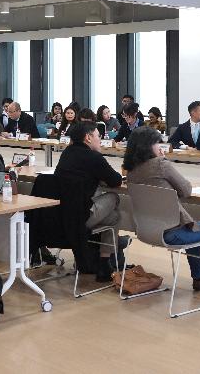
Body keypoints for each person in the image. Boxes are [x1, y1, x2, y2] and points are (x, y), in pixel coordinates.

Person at [124, 126, 200, 298]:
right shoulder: (160, 164)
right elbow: (186, 190)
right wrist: (163, 161)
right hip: (171, 233)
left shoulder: (131, 171)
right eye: (158, 144)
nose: (161, 148)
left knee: (192, 225)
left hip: (146, 231)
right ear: (148, 146)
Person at [54, 121, 123, 282]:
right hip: (81, 216)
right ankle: (104, 262)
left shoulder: (67, 153)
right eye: (98, 136)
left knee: (115, 217)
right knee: (114, 197)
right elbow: (116, 181)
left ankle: (103, 263)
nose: (100, 140)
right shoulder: (94, 157)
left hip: (60, 215)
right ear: (88, 138)